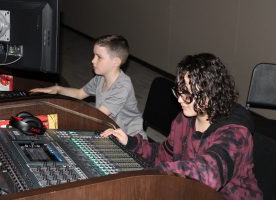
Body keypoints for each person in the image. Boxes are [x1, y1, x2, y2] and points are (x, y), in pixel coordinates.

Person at [101, 53, 263, 200]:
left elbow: (209, 173)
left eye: (187, 95)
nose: (179, 100)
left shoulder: (235, 133)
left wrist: (153, 175)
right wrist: (131, 143)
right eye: (179, 92)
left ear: (210, 95)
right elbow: (164, 155)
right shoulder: (183, 119)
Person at [30, 34, 147, 139]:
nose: (93, 60)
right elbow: (79, 93)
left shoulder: (122, 87)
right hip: (111, 129)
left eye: (99, 57)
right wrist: (57, 89)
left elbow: (96, 116)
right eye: (93, 55)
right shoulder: (101, 77)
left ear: (115, 62)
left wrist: (55, 118)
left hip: (130, 137)